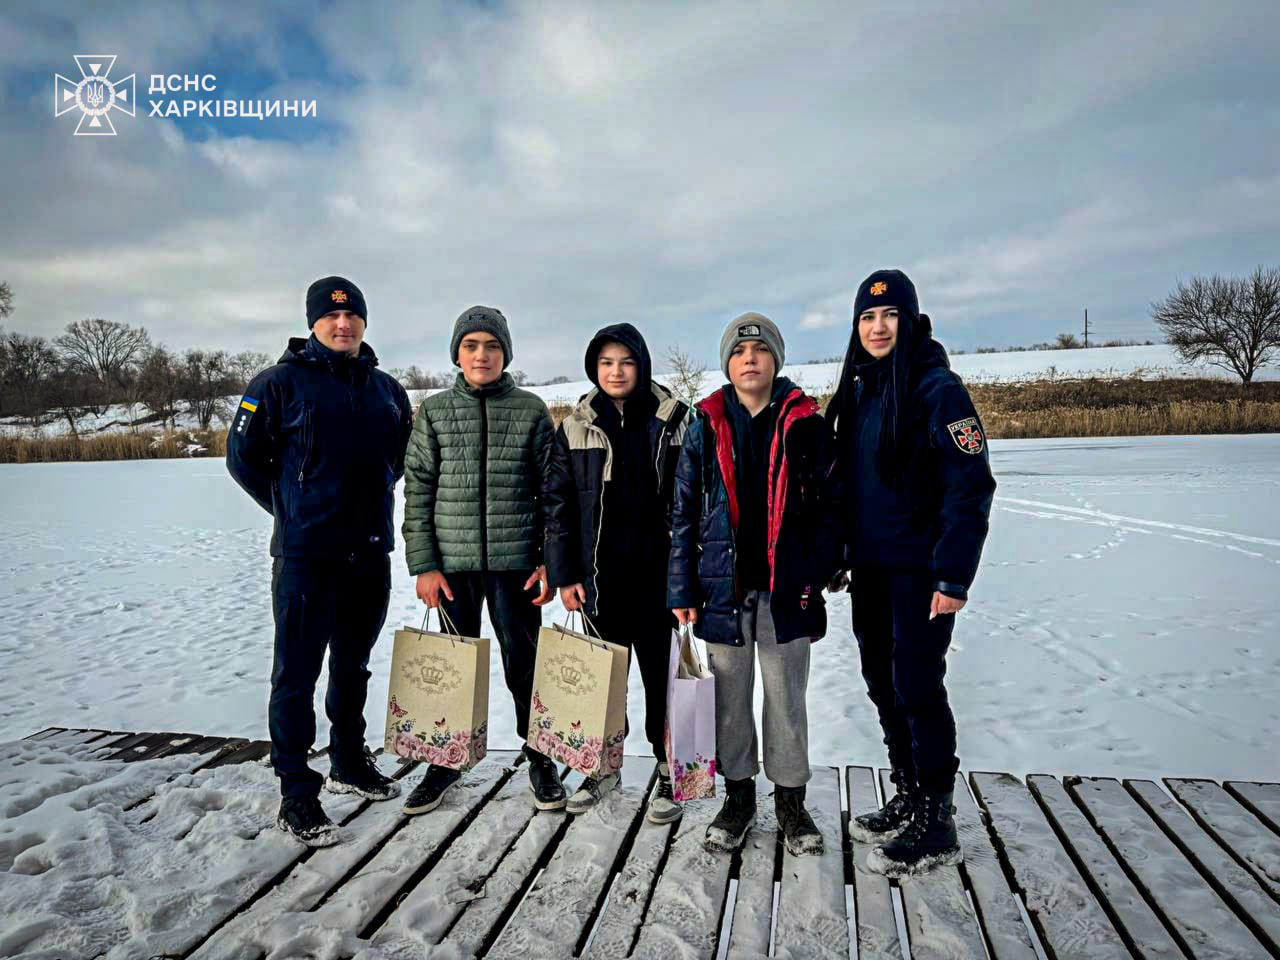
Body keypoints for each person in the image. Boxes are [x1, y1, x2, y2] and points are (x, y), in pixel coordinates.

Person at [227, 275, 413, 847]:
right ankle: (297, 795)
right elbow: (243, 459)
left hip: (369, 555)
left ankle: (349, 761)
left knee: (352, 667)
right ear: (313, 322)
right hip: (307, 557)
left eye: (352, 315)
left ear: (363, 321)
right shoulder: (277, 384)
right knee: (296, 675)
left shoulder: (387, 390)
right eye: (331, 317)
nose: (342, 324)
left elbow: (396, 461)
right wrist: (293, 509)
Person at [827, 269, 996, 877]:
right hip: (870, 568)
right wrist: (838, 551)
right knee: (881, 679)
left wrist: (953, 576)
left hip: (921, 573)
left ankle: (939, 816)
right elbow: (848, 483)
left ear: (910, 320)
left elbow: (971, 484)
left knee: (918, 686)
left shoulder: (937, 389)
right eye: (868, 318)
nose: (877, 327)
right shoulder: (859, 388)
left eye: (889, 316)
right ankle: (909, 791)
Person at [668, 313, 835, 856]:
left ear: (775, 361)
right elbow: (683, 512)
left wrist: (828, 563)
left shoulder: (805, 419)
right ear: (727, 364)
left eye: (761, 350)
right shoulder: (705, 422)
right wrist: (682, 589)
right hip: (723, 589)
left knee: (787, 697)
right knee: (729, 699)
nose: (750, 359)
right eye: (739, 352)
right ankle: (738, 798)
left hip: (787, 589)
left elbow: (831, 503)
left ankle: (790, 801)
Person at [400, 305, 565, 814]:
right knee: (451, 664)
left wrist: (545, 560)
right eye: (471, 346)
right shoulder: (434, 411)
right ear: (457, 354)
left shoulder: (532, 410)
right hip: (452, 566)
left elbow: (551, 491)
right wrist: (424, 564)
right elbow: (418, 489)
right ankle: (445, 760)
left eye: (491, 346)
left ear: (504, 353)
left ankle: (539, 755)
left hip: (516, 563)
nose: (481, 355)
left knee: (525, 660)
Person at [543, 323, 689, 822]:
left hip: (660, 578)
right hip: (601, 578)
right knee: (602, 679)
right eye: (606, 363)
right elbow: (558, 506)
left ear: (641, 364)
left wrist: (689, 573)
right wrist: (565, 575)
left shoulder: (675, 421)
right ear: (595, 370)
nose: (616, 371)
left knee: (663, 678)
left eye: (625, 361)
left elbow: (696, 501)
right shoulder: (575, 426)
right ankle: (602, 766)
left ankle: (672, 769)